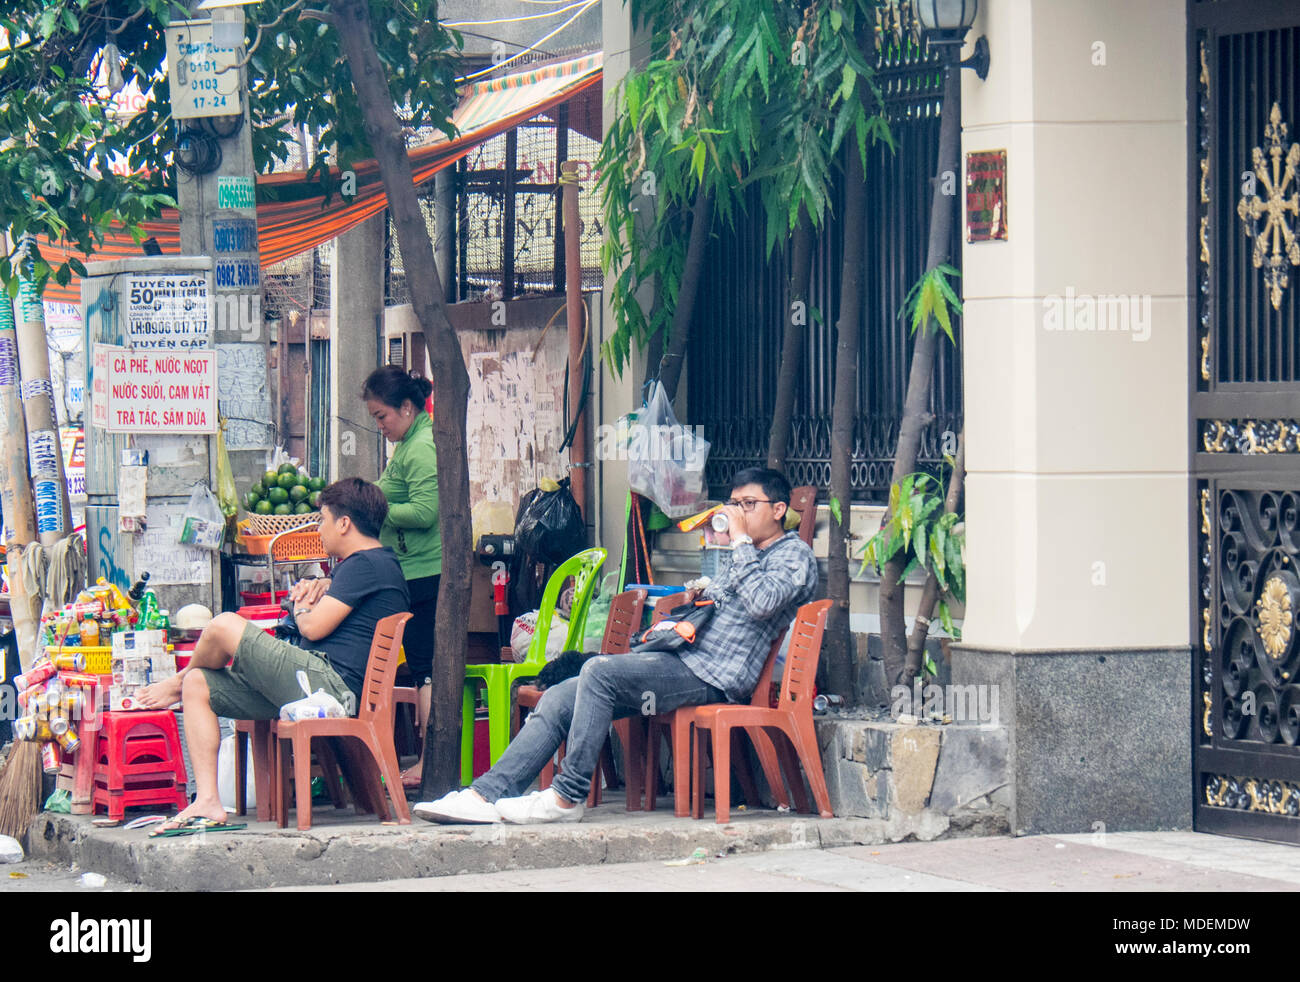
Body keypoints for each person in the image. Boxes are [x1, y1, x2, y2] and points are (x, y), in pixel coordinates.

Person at [414, 467, 818, 825]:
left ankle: (567, 795)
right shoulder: (745, 553)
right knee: (558, 696)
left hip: (712, 675)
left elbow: (763, 602)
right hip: (678, 659)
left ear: (779, 509)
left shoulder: (794, 556)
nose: (739, 513)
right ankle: (488, 794)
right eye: (735, 504)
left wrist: (741, 542)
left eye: (749, 503)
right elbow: (726, 601)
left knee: (599, 671)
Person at [138, 478, 410, 834]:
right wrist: (320, 590)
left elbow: (312, 628)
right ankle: (207, 800)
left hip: (327, 685)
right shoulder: (369, 565)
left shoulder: (366, 564)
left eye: (322, 520)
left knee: (221, 625)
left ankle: (174, 681)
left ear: (344, 523)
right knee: (199, 684)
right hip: (315, 683)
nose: (319, 529)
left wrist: (300, 606)